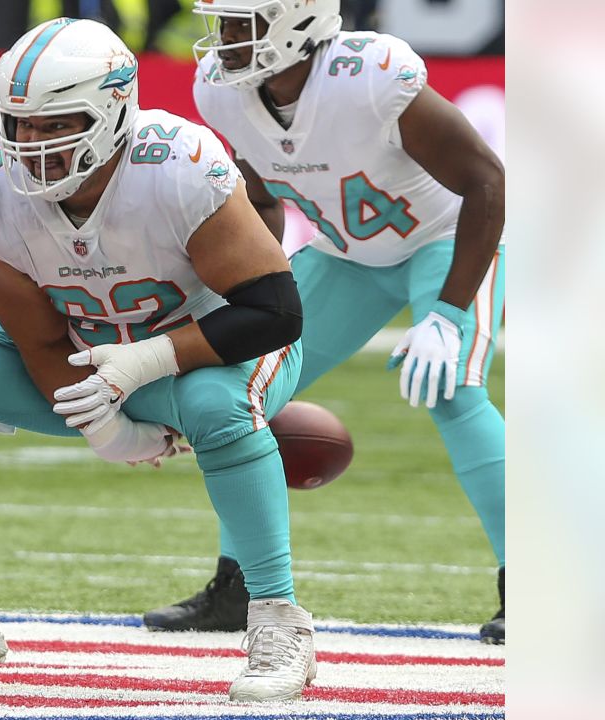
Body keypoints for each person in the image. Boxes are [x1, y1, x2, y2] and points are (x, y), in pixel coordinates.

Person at [0, 18, 314, 703]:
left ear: (113, 111)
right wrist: (105, 431)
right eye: (20, 124)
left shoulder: (176, 163)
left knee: (215, 407)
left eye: (57, 122)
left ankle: (279, 621)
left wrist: (147, 362)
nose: (34, 143)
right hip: (81, 344)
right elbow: (39, 338)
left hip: (207, 346)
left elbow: (275, 310)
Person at [146, 0, 506, 645]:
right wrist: (250, 296)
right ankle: (244, 588)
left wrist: (449, 314)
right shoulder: (224, 94)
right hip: (347, 255)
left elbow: (485, 181)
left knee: (452, 387)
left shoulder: (369, 74)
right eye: (223, 24)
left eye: (239, 25)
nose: (222, 41)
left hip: (445, 238)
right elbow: (258, 197)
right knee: (242, 392)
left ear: (294, 23)